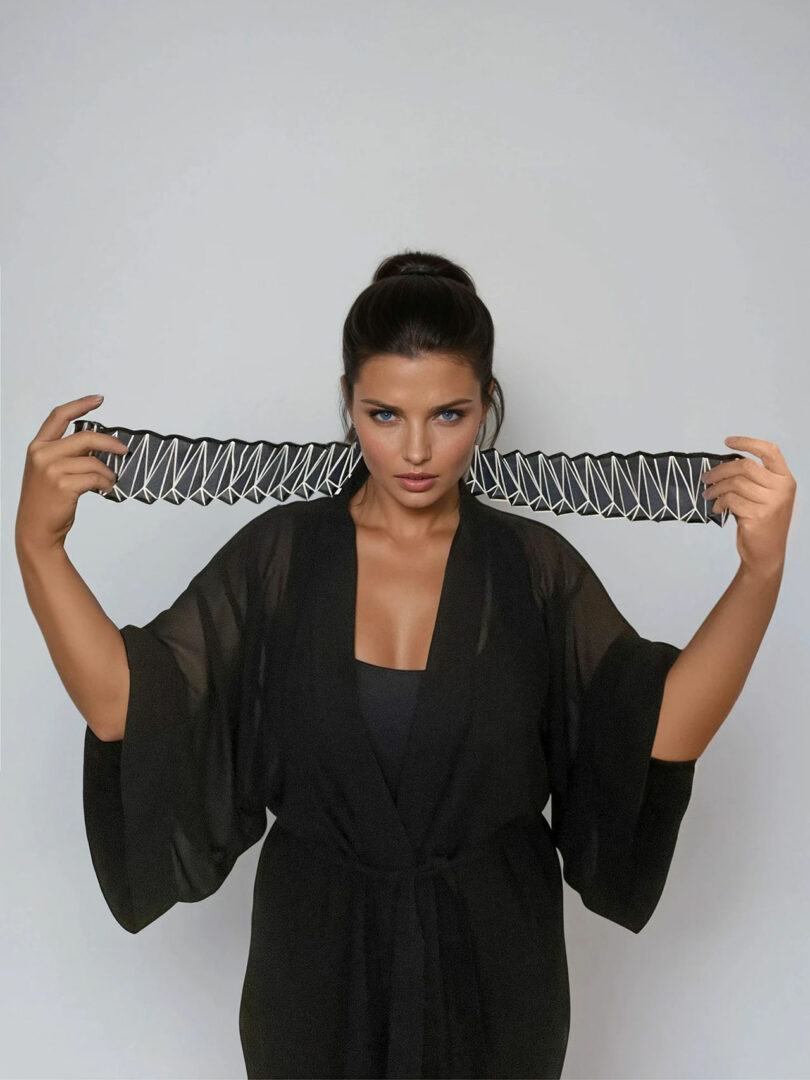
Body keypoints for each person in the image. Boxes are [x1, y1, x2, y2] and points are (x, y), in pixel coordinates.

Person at [17, 251, 703, 1079]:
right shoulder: (282, 557)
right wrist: (39, 547)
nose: (416, 450)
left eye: (448, 415)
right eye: (384, 414)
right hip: (312, 969)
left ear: (486, 407)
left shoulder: (532, 568)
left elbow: (657, 726)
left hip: (498, 973)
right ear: (347, 401)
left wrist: (762, 573)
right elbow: (133, 706)